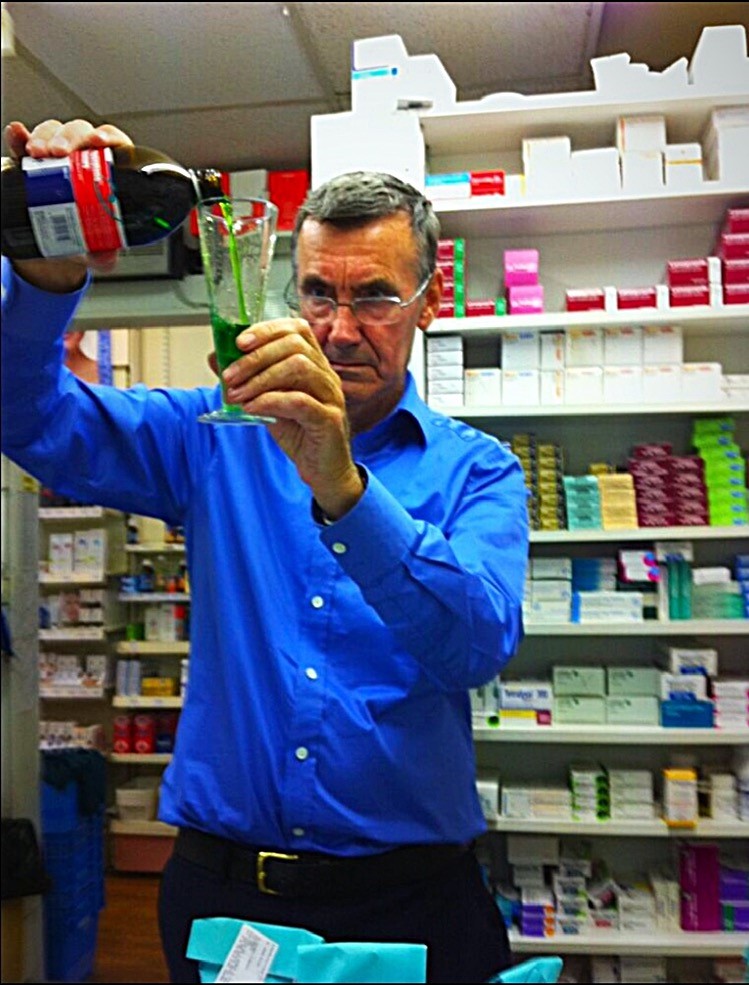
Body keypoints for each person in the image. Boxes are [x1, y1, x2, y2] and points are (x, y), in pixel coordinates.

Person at [1, 119, 529, 984]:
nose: (340, 329)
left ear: (430, 302)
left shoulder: (480, 470)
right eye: (318, 292)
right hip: (226, 899)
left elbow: (472, 645)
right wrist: (45, 263)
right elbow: (29, 419)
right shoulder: (215, 434)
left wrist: (342, 487)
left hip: (409, 903)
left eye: (375, 297)